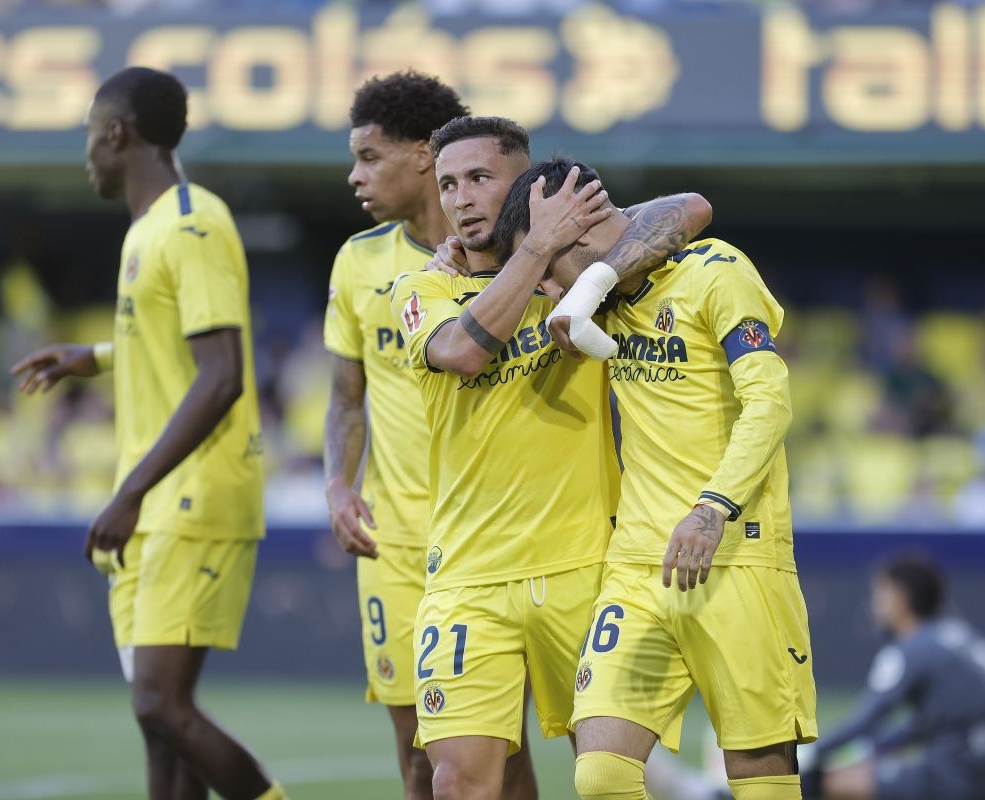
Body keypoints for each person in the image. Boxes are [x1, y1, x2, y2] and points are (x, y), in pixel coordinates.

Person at [391, 116, 713, 800]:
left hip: (586, 571)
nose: (460, 198)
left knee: (608, 779)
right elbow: (462, 353)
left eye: (480, 178)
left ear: (530, 187)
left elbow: (692, 208)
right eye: (447, 183)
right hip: (467, 580)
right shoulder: (422, 290)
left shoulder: (581, 281)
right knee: (456, 784)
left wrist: (587, 272)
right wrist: (535, 247)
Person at [492, 156, 817, 800]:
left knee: (758, 776)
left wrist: (712, 507)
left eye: (550, 271)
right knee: (602, 774)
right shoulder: (606, 305)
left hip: (735, 553)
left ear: (580, 232)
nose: (552, 296)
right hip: (639, 563)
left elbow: (770, 402)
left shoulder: (716, 272)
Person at [10, 68, 286, 800]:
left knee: (159, 704)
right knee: (159, 730)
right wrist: (94, 358)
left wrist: (130, 491)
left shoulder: (194, 223)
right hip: (161, 500)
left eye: (87, 138)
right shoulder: (152, 229)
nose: (87, 157)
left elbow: (222, 373)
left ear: (116, 133)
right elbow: (174, 346)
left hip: (188, 497)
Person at [322, 71, 537, 799]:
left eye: (369, 157)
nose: (355, 176)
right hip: (398, 541)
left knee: (500, 756)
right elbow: (346, 396)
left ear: (422, 154)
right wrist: (336, 484)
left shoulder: (521, 260)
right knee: (421, 758)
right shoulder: (358, 262)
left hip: (501, 540)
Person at [800, 555, 985, 800]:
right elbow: (915, 728)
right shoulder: (961, 636)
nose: (873, 605)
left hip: (954, 773)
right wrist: (866, 752)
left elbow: (866, 722)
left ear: (900, 599)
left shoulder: (910, 649)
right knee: (880, 761)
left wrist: (810, 754)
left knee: (816, 780)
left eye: (880, 594)